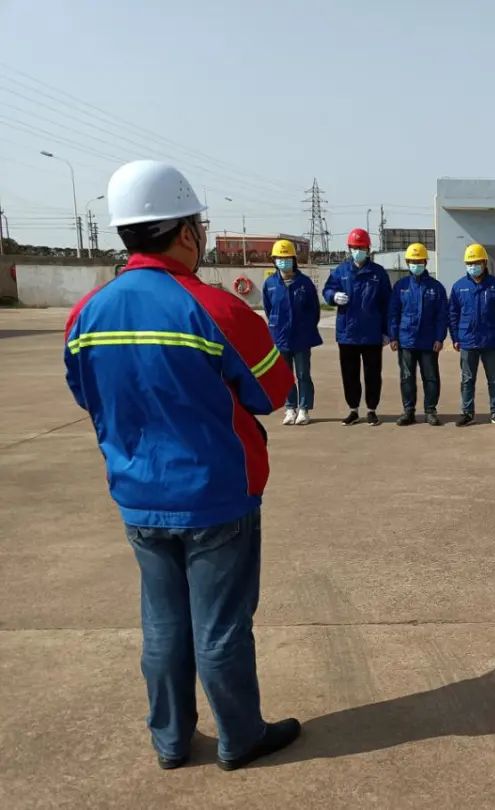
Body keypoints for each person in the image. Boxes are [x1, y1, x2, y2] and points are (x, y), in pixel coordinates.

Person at [63, 160, 301, 771]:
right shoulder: (216, 309)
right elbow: (273, 392)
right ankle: (240, 737)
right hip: (215, 496)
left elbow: (86, 394)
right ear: (187, 231)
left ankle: (170, 740)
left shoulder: (87, 313)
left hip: (138, 496)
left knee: (163, 625)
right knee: (220, 628)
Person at [322, 228, 391, 426]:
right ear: (349, 249)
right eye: (354, 248)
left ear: (368, 249)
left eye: (361, 248)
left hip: (371, 334)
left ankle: (371, 410)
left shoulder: (378, 273)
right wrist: (333, 296)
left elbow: (387, 303)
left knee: (373, 374)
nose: (358, 251)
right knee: (349, 374)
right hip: (348, 333)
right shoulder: (341, 271)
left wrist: (387, 331)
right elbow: (327, 289)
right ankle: (353, 409)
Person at [448, 243, 495, 426]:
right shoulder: (459, 287)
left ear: (485, 263)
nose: (473, 266)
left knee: (494, 380)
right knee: (467, 380)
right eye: (470, 263)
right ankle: (467, 413)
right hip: (467, 342)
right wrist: (455, 338)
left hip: (490, 341)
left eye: (477, 262)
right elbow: (453, 314)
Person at [263, 239, 323, 426]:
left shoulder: (304, 283)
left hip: (301, 338)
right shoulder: (270, 284)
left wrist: (306, 327)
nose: (283, 261)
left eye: (287, 258)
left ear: (294, 260)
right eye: (280, 258)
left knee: (303, 374)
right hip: (280, 337)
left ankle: (304, 409)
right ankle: (290, 408)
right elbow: (268, 309)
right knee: (285, 376)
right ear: (274, 260)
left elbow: (314, 310)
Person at [389, 242, 449, 426]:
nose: (416, 264)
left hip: (429, 341)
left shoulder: (436, 287)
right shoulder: (401, 286)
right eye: (413, 261)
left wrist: (439, 337)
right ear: (408, 262)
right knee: (407, 378)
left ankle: (430, 410)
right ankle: (408, 411)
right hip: (406, 340)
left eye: (419, 261)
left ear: (425, 262)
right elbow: (393, 313)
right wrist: (393, 336)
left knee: (430, 377)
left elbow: (442, 315)